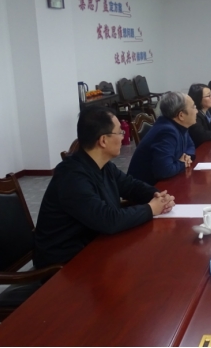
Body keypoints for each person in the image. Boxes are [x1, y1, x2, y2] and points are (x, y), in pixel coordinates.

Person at [34, 106, 175, 268]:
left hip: (95, 244)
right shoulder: (72, 177)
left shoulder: (102, 165)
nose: (123, 137)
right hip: (65, 264)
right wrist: (151, 209)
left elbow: (131, 186)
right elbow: (108, 220)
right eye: (120, 132)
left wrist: (157, 196)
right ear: (103, 140)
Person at [127, 91, 198, 185]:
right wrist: (182, 163)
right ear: (181, 115)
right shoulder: (167, 132)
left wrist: (187, 157)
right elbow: (164, 171)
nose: (197, 111)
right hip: (146, 188)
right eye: (193, 107)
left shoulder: (180, 125)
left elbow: (190, 145)